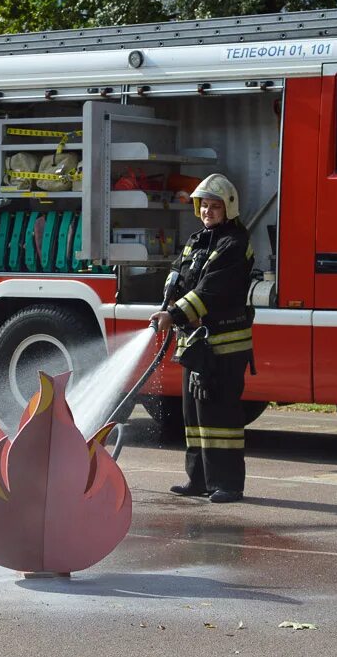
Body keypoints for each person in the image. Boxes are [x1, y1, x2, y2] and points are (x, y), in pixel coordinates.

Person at [151, 174, 255, 504]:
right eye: (204, 205)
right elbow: (181, 277)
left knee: (220, 418)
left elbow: (210, 289)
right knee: (194, 417)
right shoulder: (198, 241)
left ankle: (229, 485)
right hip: (197, 345)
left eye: (215, 206)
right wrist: (167, 304)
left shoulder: (235, 243)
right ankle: (198, 480)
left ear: (229, 209)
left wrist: (174, 316)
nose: (208, 211)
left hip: (224, 345)